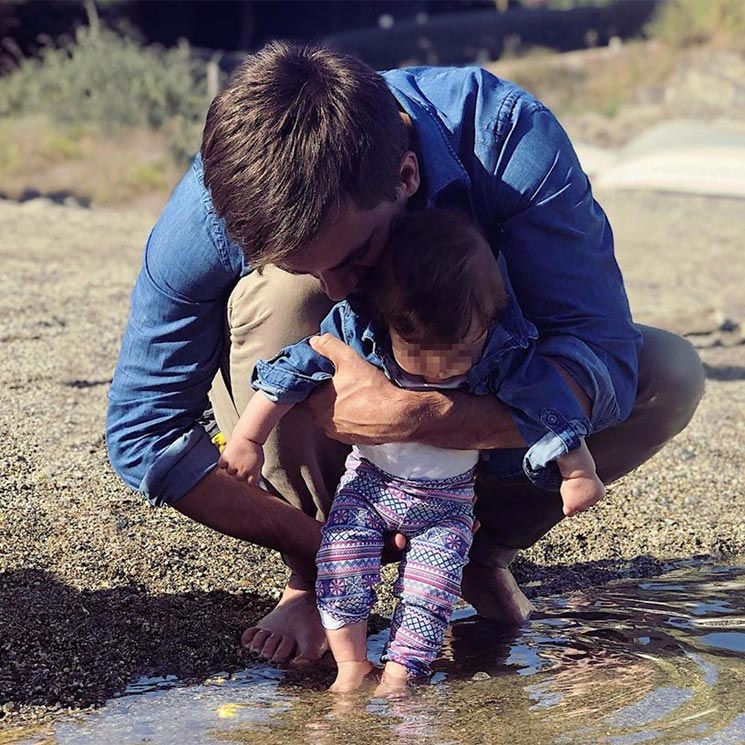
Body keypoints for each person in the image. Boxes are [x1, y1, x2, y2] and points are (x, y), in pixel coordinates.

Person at [106, 42, 704, 668]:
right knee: (288, 298)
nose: (338, 289)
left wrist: (416, 416)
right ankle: (318, 579)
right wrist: (323, 545)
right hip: (328, 469)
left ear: (407, 175)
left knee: (671, 373)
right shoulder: (216, 203)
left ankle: (474, 553)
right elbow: (144, 430)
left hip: (481, 377)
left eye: (354, 257)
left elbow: (603, 353)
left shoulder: (503, 137)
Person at [218, 209, 605, 692]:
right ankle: (351, 665)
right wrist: (247, 439)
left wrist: (577, 469)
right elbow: (288, 375)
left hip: (447, 504)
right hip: (369, 484)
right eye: (417, 350)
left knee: (430, 590)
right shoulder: (357, 331)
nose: (439, 370)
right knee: (341, 565)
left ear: (490, 319)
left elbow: (548, 404)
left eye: (457, 352)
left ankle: (402, 673)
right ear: (383, 316)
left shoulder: (502, 352)